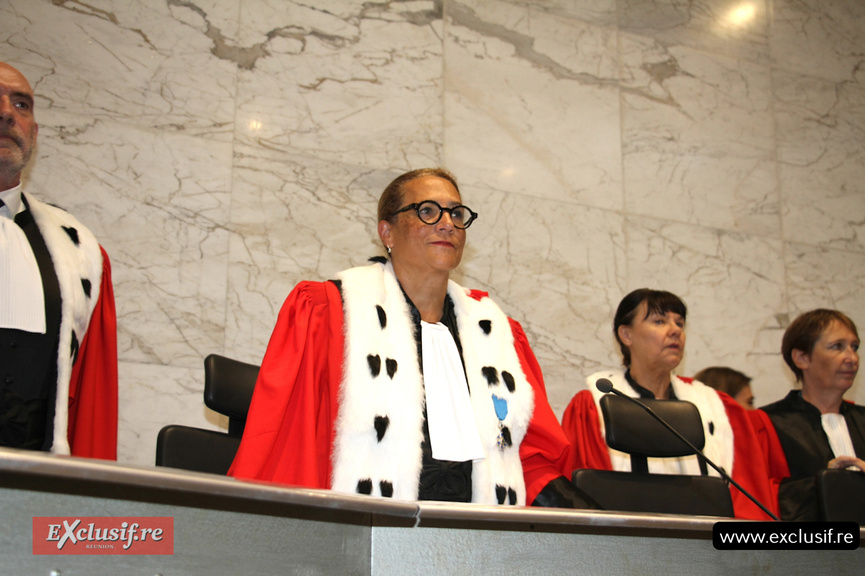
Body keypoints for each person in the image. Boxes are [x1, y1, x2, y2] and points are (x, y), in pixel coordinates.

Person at [229, 168, 589, 508]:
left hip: (476, 538)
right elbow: (293, 446)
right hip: (367, 536)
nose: (447, 224)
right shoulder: (327, 313)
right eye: (428, 211)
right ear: (387, 232)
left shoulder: (495, 334)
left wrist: (598, 518)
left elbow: (527, 460)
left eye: (457, 215)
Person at [561, 288, 776, 519]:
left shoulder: (719, 408)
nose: (675, 331)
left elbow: (748, 503)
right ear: (626, 335)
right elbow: (588, 502)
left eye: (680, 323)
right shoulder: (594, 407)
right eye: (659, 321)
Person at [0, 62, 117, 458]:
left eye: (21, 104)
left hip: (32, 490)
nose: (6, 113)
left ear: (34, 133)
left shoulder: (80, 250)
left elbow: (89, 398)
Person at [750, 309, 864, 521]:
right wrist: (823, 483)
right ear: (802, 358)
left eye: (854, 347)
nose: (852, 358)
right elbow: (757, 501)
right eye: (837, 346)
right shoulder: (767, 423)